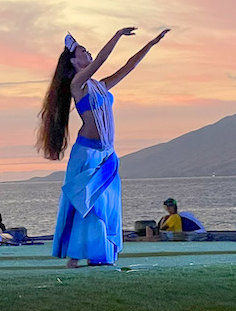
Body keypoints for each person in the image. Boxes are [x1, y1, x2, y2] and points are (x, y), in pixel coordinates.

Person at [38, 27, 169, 268]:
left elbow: (128, 66)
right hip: (86, 154)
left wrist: (150, 44)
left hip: (107, 153)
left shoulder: (101, 85)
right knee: (85, 204)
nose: (88, 52)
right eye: (83, 51)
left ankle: (99, 255)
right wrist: (117, 35)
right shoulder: (78, 84)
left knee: (104, 206)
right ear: (74, 61)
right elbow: (100, 60)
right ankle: (73, 258)